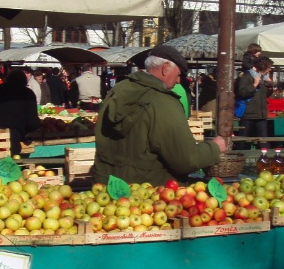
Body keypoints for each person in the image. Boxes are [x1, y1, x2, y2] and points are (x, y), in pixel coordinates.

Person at [93, 44, 226, 186]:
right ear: (165, 68)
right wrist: (214, 148)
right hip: (149, 194)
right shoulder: (163, 101)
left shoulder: (118, 89)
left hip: (108, 186)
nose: (178, 81)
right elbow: (186, 159)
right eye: (179, 74)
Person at [0, 69, 40, 156]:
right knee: (7, 161)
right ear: (24, 82)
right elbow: (32, 122)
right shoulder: (28, 94)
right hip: (11, 135)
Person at [236, 56, 274, 139]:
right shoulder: (247, 76)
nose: (270, 70)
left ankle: (264, 152)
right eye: (268, 67)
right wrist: (254, 85)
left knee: (264, 140)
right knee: (244, 140)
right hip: (248, 114)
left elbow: (265, 94)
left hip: (261, 114)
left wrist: (270, 87)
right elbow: (242, 92)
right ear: (263, 67)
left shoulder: (263, 78)